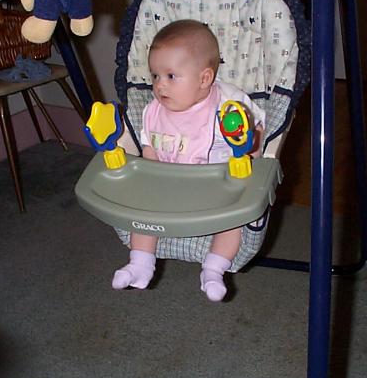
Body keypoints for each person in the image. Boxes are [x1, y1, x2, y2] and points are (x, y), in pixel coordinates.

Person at [113, 19, 265, 302]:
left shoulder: (227, 103)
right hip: (168, 186)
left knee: (233, 220)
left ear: (204, 79)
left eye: (171, 76)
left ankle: (213, 270)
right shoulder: (153, 111)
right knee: (142, 212)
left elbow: (254, 131)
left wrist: (250, 156)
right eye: (155, 75)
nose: (160, 84)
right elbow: (150, 149)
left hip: (217, 188)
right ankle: (140, 264)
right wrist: (148, 179)